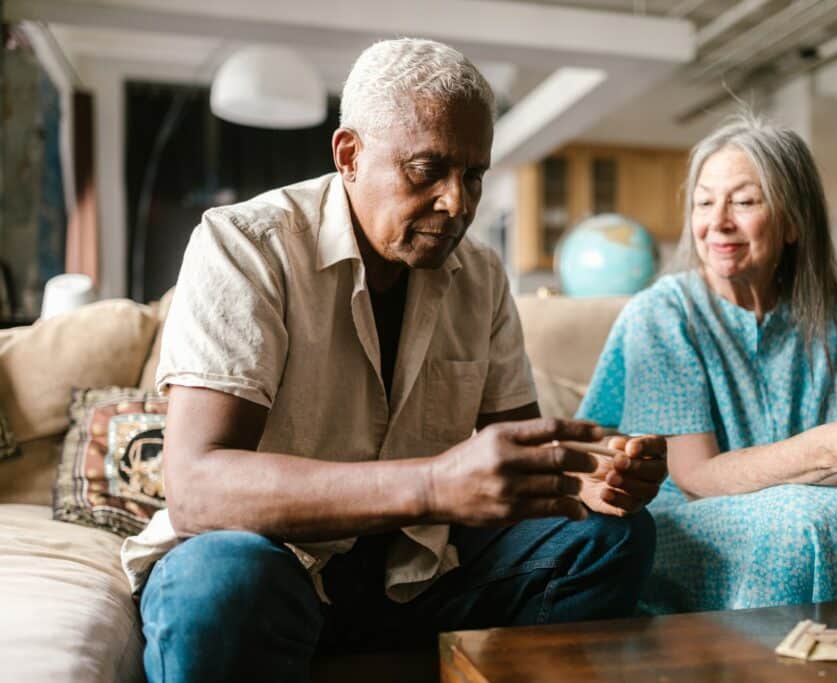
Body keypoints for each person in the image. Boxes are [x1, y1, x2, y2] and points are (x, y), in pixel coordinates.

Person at [124, 38, 666, 681]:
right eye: (426, 170)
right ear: (349, 155)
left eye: (474, 175)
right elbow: (197, 488)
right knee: (220, 583)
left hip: (416, 577)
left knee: (611, 539)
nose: (457, 203)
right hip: (275, 570)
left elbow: (520, 456)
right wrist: (435, 484)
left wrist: (588, 475)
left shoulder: (480, 276)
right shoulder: (246, 245)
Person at [576, 113, 837, 615]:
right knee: (796, 525)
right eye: (703, 202)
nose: (717, 222)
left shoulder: (831, 312)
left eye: (742, 201)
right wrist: (831, 447)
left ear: (792, 222)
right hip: (681, 519)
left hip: (795, 501)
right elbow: (696, 477)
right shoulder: (662, 314)